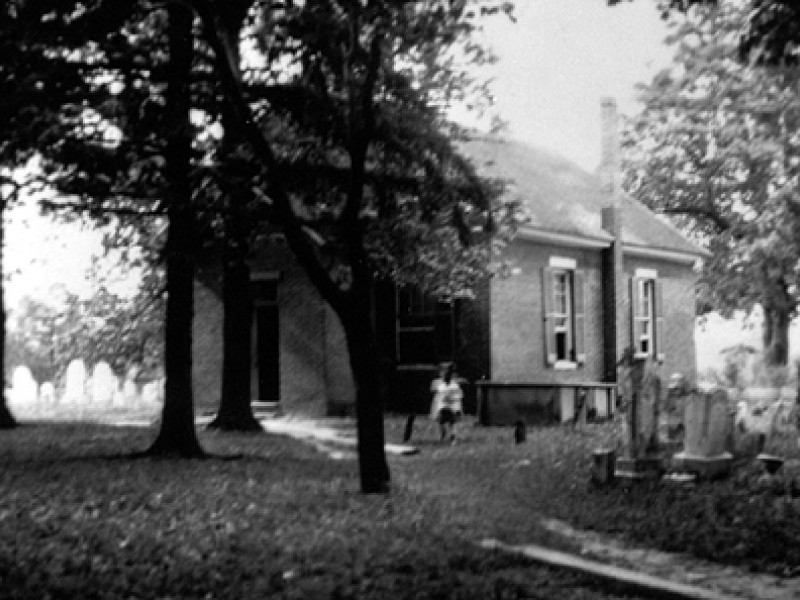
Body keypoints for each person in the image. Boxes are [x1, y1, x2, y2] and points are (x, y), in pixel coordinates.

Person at [430, 362, 463, 443]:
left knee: (453, 421)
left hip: (453, 406)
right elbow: (434, 390)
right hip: (441, 406)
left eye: (447, 372)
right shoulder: (438, 383)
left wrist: (452, 397)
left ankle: (453, 436)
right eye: (442, 372)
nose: (444, 374)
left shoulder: (454, 384)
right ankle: (443, 433)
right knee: (441, 421)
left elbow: (459, 394)